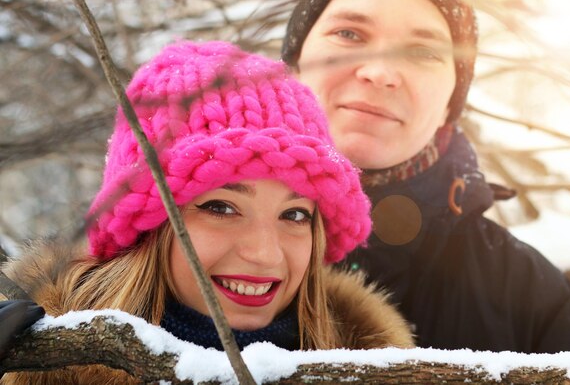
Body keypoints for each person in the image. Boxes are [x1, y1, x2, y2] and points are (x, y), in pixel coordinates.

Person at [0, 40, 414, 384]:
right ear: (148, 225)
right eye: (221, 207)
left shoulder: (376, 366)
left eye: (294, 215)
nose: (265, 255)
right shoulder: (39, 359)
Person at [281, 0, 570, 354]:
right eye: (349, 34)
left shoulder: (531, 296)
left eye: (422, 52)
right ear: (296, 61)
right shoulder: (201, 238)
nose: (380, 72)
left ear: (451, 103)